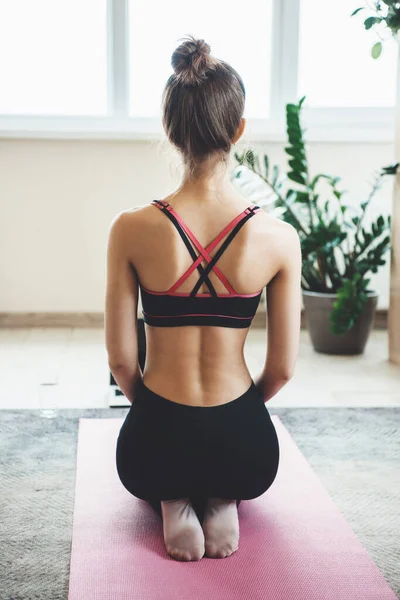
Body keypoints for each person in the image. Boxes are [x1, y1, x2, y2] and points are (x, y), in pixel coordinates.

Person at [105, 36, 302, 563]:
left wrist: (160, 420)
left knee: (166, 459)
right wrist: (231, 420)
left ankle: (173, 497)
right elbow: (281, 369)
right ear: (238, 131)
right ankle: (221, 496)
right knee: (225, 455)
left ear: (171, 132)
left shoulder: (130, 229)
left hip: (152, 445)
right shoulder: (279, 237)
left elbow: (122, 361)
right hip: (246, 450)